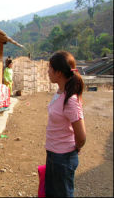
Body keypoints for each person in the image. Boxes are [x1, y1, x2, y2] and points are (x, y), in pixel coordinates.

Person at [45, 50, 86, 197]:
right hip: (53, 154)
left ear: (59, 73)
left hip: (63, 158)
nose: (48, 71)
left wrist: (74, 148)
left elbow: (81, 137)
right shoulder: (60, 92)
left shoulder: (71, 100)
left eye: (50, 68)